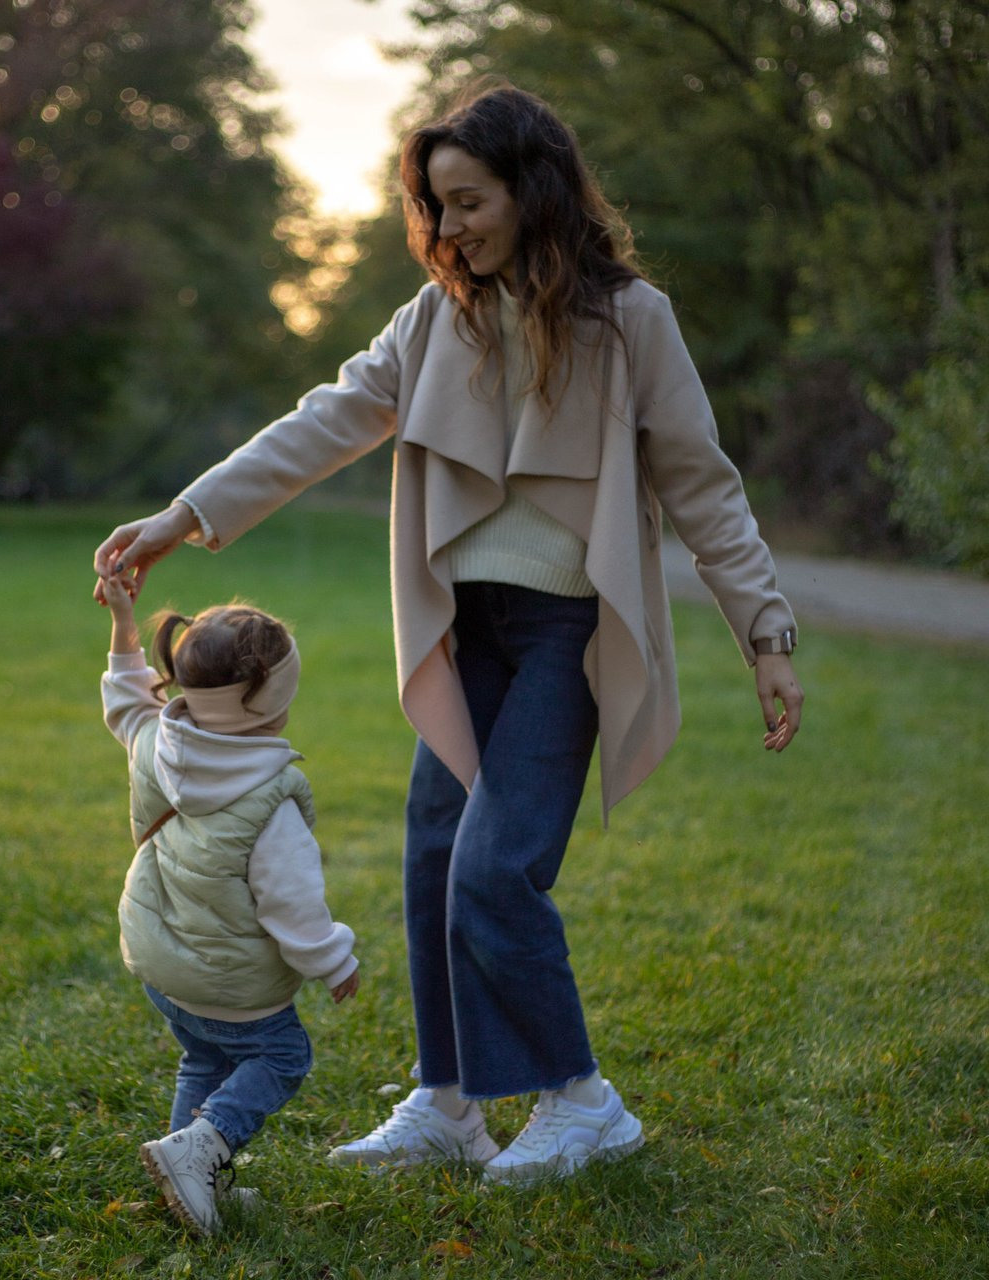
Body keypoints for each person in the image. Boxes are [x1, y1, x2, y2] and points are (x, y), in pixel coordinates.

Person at [93, 82, 803, 1185]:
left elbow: (703, 487)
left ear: (532, 186)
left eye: (467, 200)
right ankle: (446, 1098)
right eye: (435, 206)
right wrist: (184, 516)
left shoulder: (630, 323)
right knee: (432, 858)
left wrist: (764, 632)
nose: (450, 227)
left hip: (564, 634)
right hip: (464, 631)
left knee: (490, 867)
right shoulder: (434, 321)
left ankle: (581, 1099)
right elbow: (323, 419)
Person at [99, 572, 360, 1233]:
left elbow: (125, 699)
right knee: (281, 1057)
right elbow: (291, 903)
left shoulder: (157, 740)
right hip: (231, 984)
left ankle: (189, 1179)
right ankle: (202, 1148)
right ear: (272, 703)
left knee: (205, 1057)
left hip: (160, 963)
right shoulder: (271, 797)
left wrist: (124, 624)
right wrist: (333, 960)